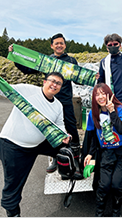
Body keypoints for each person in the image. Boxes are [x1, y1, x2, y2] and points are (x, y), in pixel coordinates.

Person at [0, 72, 72, 217]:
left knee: (65, 146)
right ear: (44, 82)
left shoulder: (57, 105)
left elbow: (59, 124)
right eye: (52, 81)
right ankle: (13, 213)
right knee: (13, 184)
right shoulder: (27, 91)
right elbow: (3, 88)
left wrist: (64, 135)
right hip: (14, 146)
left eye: (58, 83)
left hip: (38, 144)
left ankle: (58, 161)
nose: (55, 85)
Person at [10, 34, 83, 175]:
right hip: (49, 102)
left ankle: (76, 163)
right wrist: (15, 56)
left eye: (61, 43)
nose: (59, 45)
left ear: (65, 45)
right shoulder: (46, 61)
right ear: (52, 46)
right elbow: (27, 70)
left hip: (66, 102)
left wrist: (92, 78)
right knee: (51, 131)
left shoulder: (71, 60)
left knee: (72, 131)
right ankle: (56, 157)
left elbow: (79, 79)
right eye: (56, 43)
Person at [82, 84, 122, 217]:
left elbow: (121, 130)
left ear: (109, 94)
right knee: (103, 185)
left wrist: (112, 112)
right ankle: (99, 212)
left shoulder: (121, 109)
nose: (100, 97)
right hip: (106, 152)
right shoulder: (94, 112)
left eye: (103, 93)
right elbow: (93, 135)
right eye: (97, 94)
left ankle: (116, 212)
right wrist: (90, 153)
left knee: (117, 184)